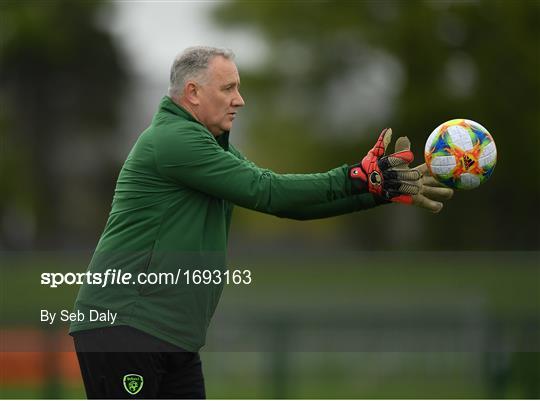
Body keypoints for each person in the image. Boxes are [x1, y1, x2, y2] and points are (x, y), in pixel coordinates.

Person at [70, 46, 453, 399]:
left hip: (169, 336)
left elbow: (286, 202)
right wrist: (355, 176)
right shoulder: (172, 141)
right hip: (126, 326)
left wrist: (373, 190)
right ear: (193, 93)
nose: (240, 99)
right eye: (229, 88)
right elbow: (267, 191)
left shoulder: (209, 147)